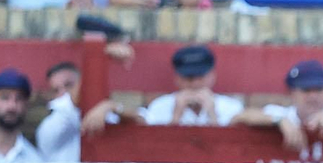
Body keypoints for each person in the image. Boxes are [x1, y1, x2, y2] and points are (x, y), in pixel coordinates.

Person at [232, 58, 323, 156]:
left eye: (319, 90)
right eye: (306, 90)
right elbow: (239, 117)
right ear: (292, 93)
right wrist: (279, 121)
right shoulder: (281, 114)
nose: (313, 97)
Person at [83, 45, 246, 128]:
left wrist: (212, 115)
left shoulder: (230, 106)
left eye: (200, 77)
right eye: (188, 77)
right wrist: (176, 116)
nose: (195, 84)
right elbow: (138, 119)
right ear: (177, 79)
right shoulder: (162, 105)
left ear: (212, 77)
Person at [34, 60, 83, 163]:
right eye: (56, 90)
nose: (63, 93)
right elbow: (67, 111)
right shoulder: (48, 127)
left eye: (69, 85)